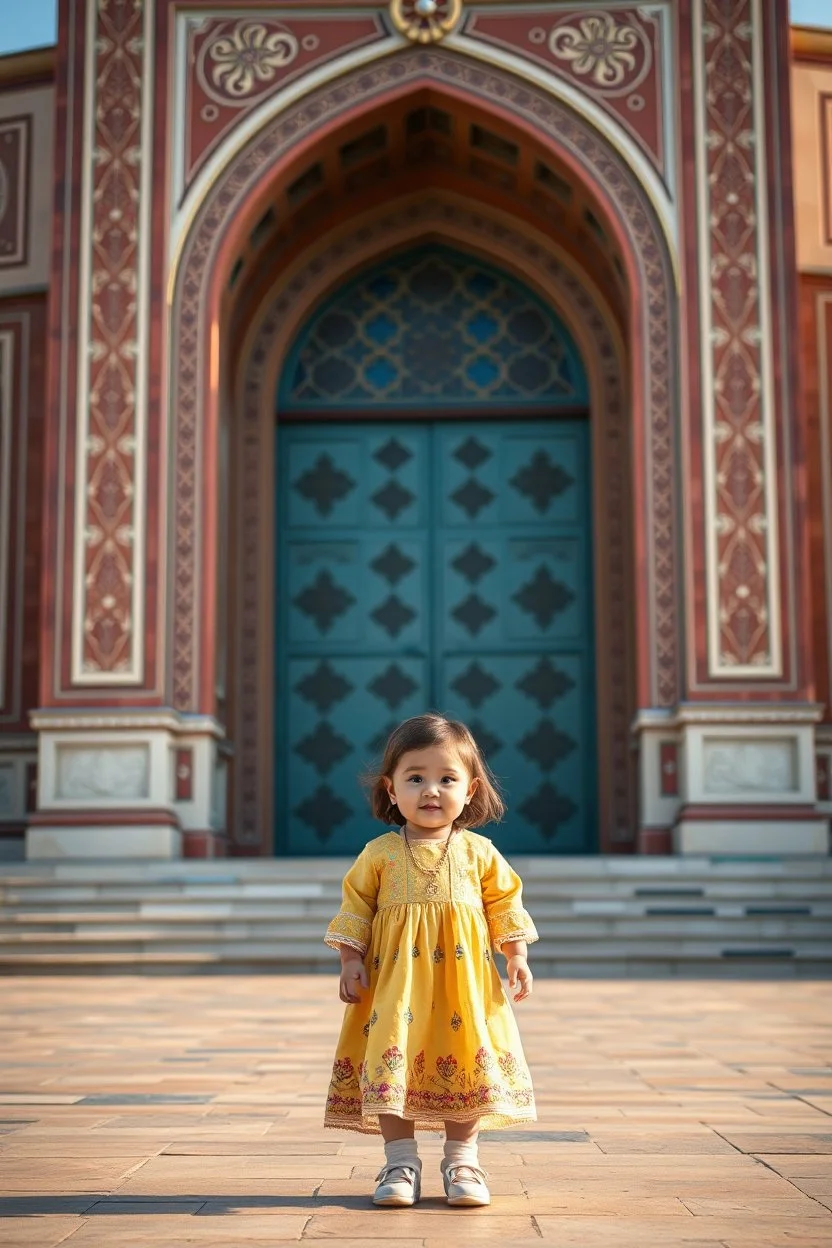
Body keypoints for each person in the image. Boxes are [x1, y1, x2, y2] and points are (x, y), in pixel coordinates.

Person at [323, 712, 538, 1208]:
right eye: (415, 778)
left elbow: (505, 903)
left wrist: (516, 955)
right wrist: (350, 961)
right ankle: (400, 1161)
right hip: (395, 989)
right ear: (391, 788)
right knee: (391, 1056)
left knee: (467, 1057)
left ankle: (463, 1160)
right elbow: (355, 909)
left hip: (463, 988)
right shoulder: (379, 854)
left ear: (471, 788)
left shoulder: (479, 852)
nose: (431, 791)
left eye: (447, 779)